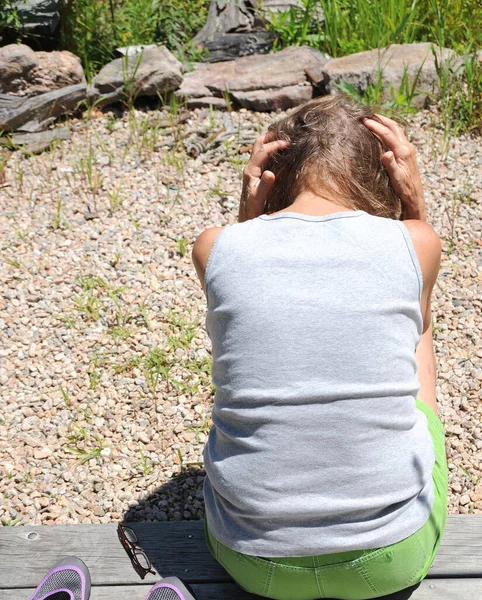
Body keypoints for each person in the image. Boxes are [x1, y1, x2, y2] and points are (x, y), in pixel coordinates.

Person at [192, 95, 448, 600]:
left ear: (271, 175)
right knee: (414, 332)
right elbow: (416, 313)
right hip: (391, 557)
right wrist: (415, 207)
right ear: (383, 175)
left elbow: (256, 280)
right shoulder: (417, 243)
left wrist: (248, 215)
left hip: (252, 562)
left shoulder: (214, 246)